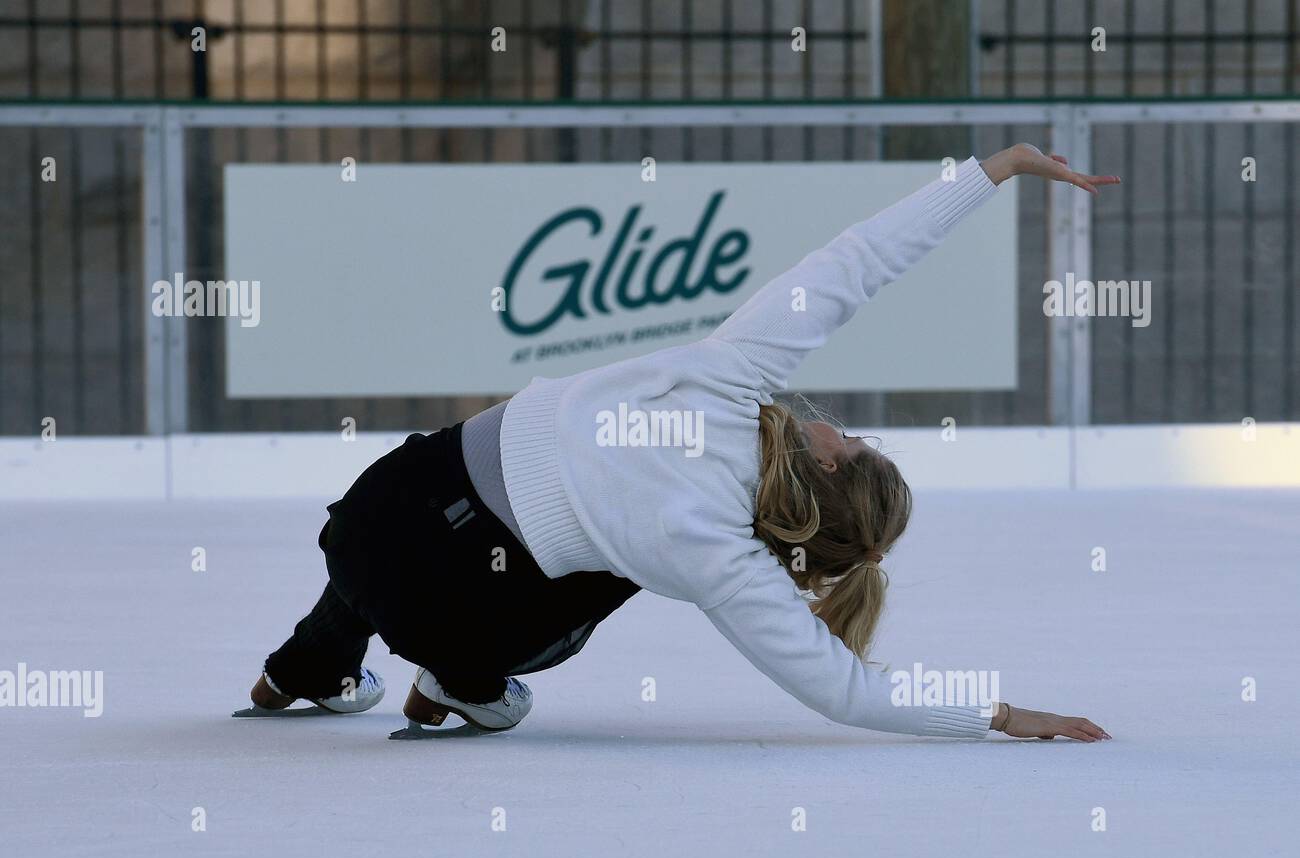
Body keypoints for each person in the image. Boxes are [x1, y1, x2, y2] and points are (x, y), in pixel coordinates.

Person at [247, 143, 1117, 743]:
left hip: (368, 512)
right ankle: (461, 684)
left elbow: (855, 264)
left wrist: (995, 170)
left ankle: (302, 667)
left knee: (447, 489)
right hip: (446, 614)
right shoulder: (725, 560)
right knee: (615, 554)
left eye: (849, 440)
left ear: (824, 463)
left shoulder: (730, 373)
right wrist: (999, 714)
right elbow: (849, 692)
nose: (837, 425)